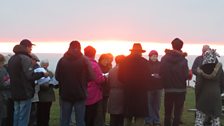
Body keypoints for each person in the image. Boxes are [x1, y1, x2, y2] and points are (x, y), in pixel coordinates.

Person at [8, 39, 48, 126]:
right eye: (30, 48)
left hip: (14, 92)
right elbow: (30, 76)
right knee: (23, 118)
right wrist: (42, 74)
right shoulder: (25, 59)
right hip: (25, 92)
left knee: (16, 115)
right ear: (26, 47)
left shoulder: (12, 58)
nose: (31, 50)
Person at [55, 41, 95, 126]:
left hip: (65, 93)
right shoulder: (85, 60)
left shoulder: (62, 60)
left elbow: (57, 77)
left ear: (69, 47)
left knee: (64, 120)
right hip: (80, 93)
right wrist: (83, 80)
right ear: (80, 48)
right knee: (80, 120)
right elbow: (92, 77)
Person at [118, 43, 151, 126]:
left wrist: (127, 83)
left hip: (128, 91)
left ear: (132, 51)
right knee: (140, 116)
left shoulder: (124, 61)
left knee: (128, 115)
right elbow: (148, 78)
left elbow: (120, 77)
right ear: (140, 52)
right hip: (141, 93)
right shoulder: (145, 62)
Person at [159, 38, 189, 126]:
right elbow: (186, 75)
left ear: (172, 46)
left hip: (168, 89)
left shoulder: (164, 59)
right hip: (180, 90)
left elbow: (161, 73)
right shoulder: (184, 60)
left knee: (167, 113)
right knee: (177, 113)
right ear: (181, 47)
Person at [194, 49, 224, 126]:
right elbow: (222, 82)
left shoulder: (201, 69)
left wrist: (197, 94)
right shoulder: (219, 69)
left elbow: (198, 84)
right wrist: (219, 92)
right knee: (215, 119)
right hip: (216, 95)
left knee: (200, 119)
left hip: (203, 96)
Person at [84, 46, 106, 126]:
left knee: (83, 116)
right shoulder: (94, 65)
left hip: (82, 92)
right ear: (94, 54)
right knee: (92, 117)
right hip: (94, 95)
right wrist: (104, 77)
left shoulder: (80, 63)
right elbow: (99, 79)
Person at [145, 50, 163, 126]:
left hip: (158, 87)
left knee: (157, 104)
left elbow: (163, 73)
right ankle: (149, 120)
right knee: (149, 104)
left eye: (156, 56)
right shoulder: (146, 64)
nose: (155, 57)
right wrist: (151, 75)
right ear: (149, 56)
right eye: (153, 56)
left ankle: (156, 120)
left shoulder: (160, 64)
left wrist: (159, 76)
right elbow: (144, 74)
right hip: (149, 87)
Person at [108, 55, 126, 126]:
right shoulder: (124, 71)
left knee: (113, 115)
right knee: (121, 116)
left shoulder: (111, 70)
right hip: (122, 93)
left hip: (113, 93)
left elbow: (108, 82)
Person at [96, 53, 113, 126]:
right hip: (99, 90)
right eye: (105, 60)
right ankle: (98, 122)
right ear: (101, 60)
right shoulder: (97, 67)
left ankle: (102, 122)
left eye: (107, 60)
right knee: (99, 109)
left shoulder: (109, 67)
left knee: (104, 108)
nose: (106, 62)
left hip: (106, 91)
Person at [37, 59, 56, 126]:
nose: (45, 66)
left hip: (46, 96)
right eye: (44, 65)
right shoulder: (41, 73)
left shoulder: (50, 73)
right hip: (43, 96)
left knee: (45, 112)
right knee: (42, 112)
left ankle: (44, 123)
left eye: (46, 64)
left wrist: (54, 84)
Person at [29, 53, 41, 126]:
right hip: (30, 95)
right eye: (35, 60)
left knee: (33, 114)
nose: (36, 62)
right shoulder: (29, 69)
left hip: (34, 95)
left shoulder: (37, 68)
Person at [0, 54, 11, 126]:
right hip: (2, 96)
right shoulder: (2, 70)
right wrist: (10, 81)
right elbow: (3, 84)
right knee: (3, 116)